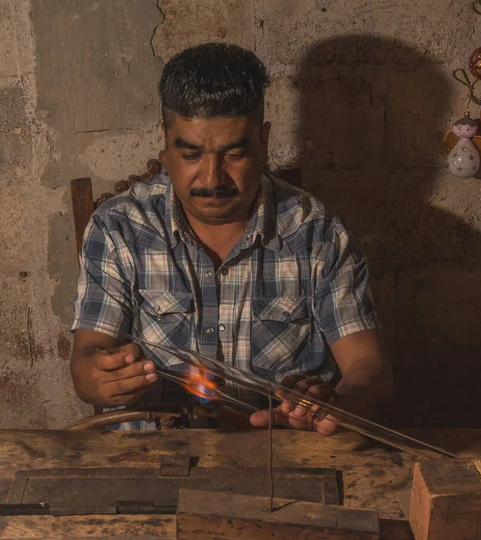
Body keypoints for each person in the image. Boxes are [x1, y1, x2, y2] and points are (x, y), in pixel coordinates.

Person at [70, 43, 394, 434]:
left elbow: (370, 371)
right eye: (191, 155)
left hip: (278, 459)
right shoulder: (120, 226)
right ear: (166, 141)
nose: (211, 179)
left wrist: (339, 406)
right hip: (152, 463)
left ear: (264, 140)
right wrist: (101, 379)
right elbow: (86, 363)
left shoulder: (317, 233)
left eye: (234, 155)